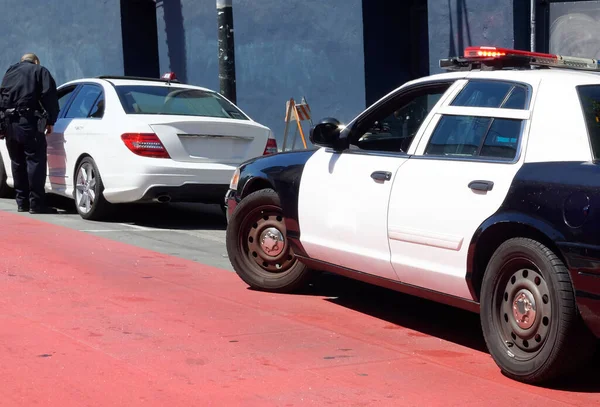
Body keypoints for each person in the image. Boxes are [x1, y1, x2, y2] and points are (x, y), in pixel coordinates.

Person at [0, 53, 59, 214]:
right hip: (29, 123)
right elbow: (49, 96)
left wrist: (1, 126)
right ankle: (36, 204)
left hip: (10, 123)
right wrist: (51, 120)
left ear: (21, 61)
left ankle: (22, 203)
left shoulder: (9, 72)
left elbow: (2, 98)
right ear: (36, 61)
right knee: (35, 162)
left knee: (17, 163)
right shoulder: (39, 71)